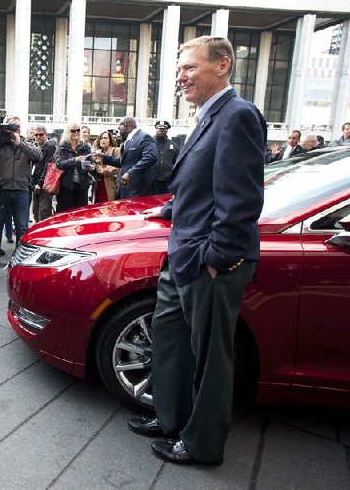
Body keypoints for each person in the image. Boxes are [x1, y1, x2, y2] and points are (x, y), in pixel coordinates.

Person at [129, 36, 266, 466]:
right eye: (179, 70)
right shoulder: (209, 117)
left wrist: (215, 259)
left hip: (210, 263)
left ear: (222, 65)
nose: (181, 77)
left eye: (189, 68)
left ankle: (203, 444)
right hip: (184, 253)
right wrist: (169, 210)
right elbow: (206, 184)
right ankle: (171, 418)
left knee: (210, 360)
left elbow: (241, 201)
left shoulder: (238, 116)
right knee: (169, 339)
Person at [0, 116, 42, 267]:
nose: (12, 131)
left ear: (19, 129)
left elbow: (38, 156)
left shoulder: (27, 143)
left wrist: (20, 143)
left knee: (22, 226)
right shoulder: (0, 145)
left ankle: (19, 255)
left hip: (21, 191)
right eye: (9, 127)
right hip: (1, 191)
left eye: (15, 127)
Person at [96, 117, 156, 199]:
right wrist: (103, 157)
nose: (118, 132)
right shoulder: (128, 141)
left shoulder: (144, 137)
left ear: (125, 126)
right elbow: (123, 162)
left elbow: (151, 157)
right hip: (125, 189)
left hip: (138, 190)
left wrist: (130, 173)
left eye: (119, 128)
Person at [54, 122, 92, 212]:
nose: (76, 133)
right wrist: (75, 160)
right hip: (66, 186)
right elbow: (59, 164)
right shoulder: (62, 146)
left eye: (78, 130)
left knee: (81, 214)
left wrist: (92, 167)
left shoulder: (85, 147)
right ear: (68, 132)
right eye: (73, 131)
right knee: (65, 213)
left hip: (82, 186)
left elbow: (92, 162)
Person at [30, 125, 57, 221]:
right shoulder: (34, 146)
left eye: (40, 134)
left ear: (45, 135)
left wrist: (40, 183)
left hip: (45, 184)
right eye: (35, 134)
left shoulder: (50, 147)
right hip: (35, 183)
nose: (38, 137)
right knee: (35, 212)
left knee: (44, 213)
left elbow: (48, 167)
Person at [151, 120, 181, 195]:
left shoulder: (174, 146)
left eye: (164, 129)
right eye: (159, 129)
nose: (161, 130)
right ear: (156, 129)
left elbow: (177, 162)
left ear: (167, 130)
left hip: (166, 181)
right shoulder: (149, 143)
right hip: (151, 180)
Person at [91, 130, 120, 203]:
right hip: (98, 185)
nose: (103, 140)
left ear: (110, 140)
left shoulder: (116, 150)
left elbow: (119, 167)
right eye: (101, 138)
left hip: (111, 184)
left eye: (105, 138)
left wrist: (104, 170)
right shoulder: (97, 152)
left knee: (109, 208)